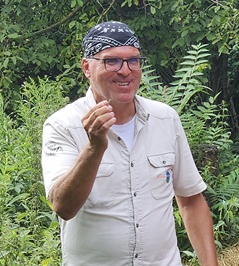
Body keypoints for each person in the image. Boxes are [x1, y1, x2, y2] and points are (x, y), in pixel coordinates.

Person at [41, 21, 218, 265]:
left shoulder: (165, 119)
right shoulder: (63, 125)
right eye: (111, 61)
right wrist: (94, 148)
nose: (125, 70)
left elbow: (190, 200)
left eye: (133, 60)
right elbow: (63, 206)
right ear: (86, 67)